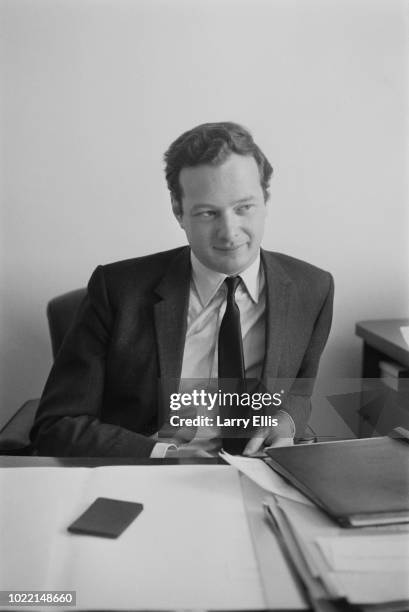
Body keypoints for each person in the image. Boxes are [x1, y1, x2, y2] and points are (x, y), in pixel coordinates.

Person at [30, 121, 334, 458]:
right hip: (147, 479)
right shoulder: (116, 291)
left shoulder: (313, 289)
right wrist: (163, 455)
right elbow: (57, 425)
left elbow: (299, 390)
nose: (229, 232)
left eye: (244, 207)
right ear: (179, 212)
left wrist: (287, 422)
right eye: (207, 213)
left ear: (266, 199)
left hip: (258, 474)